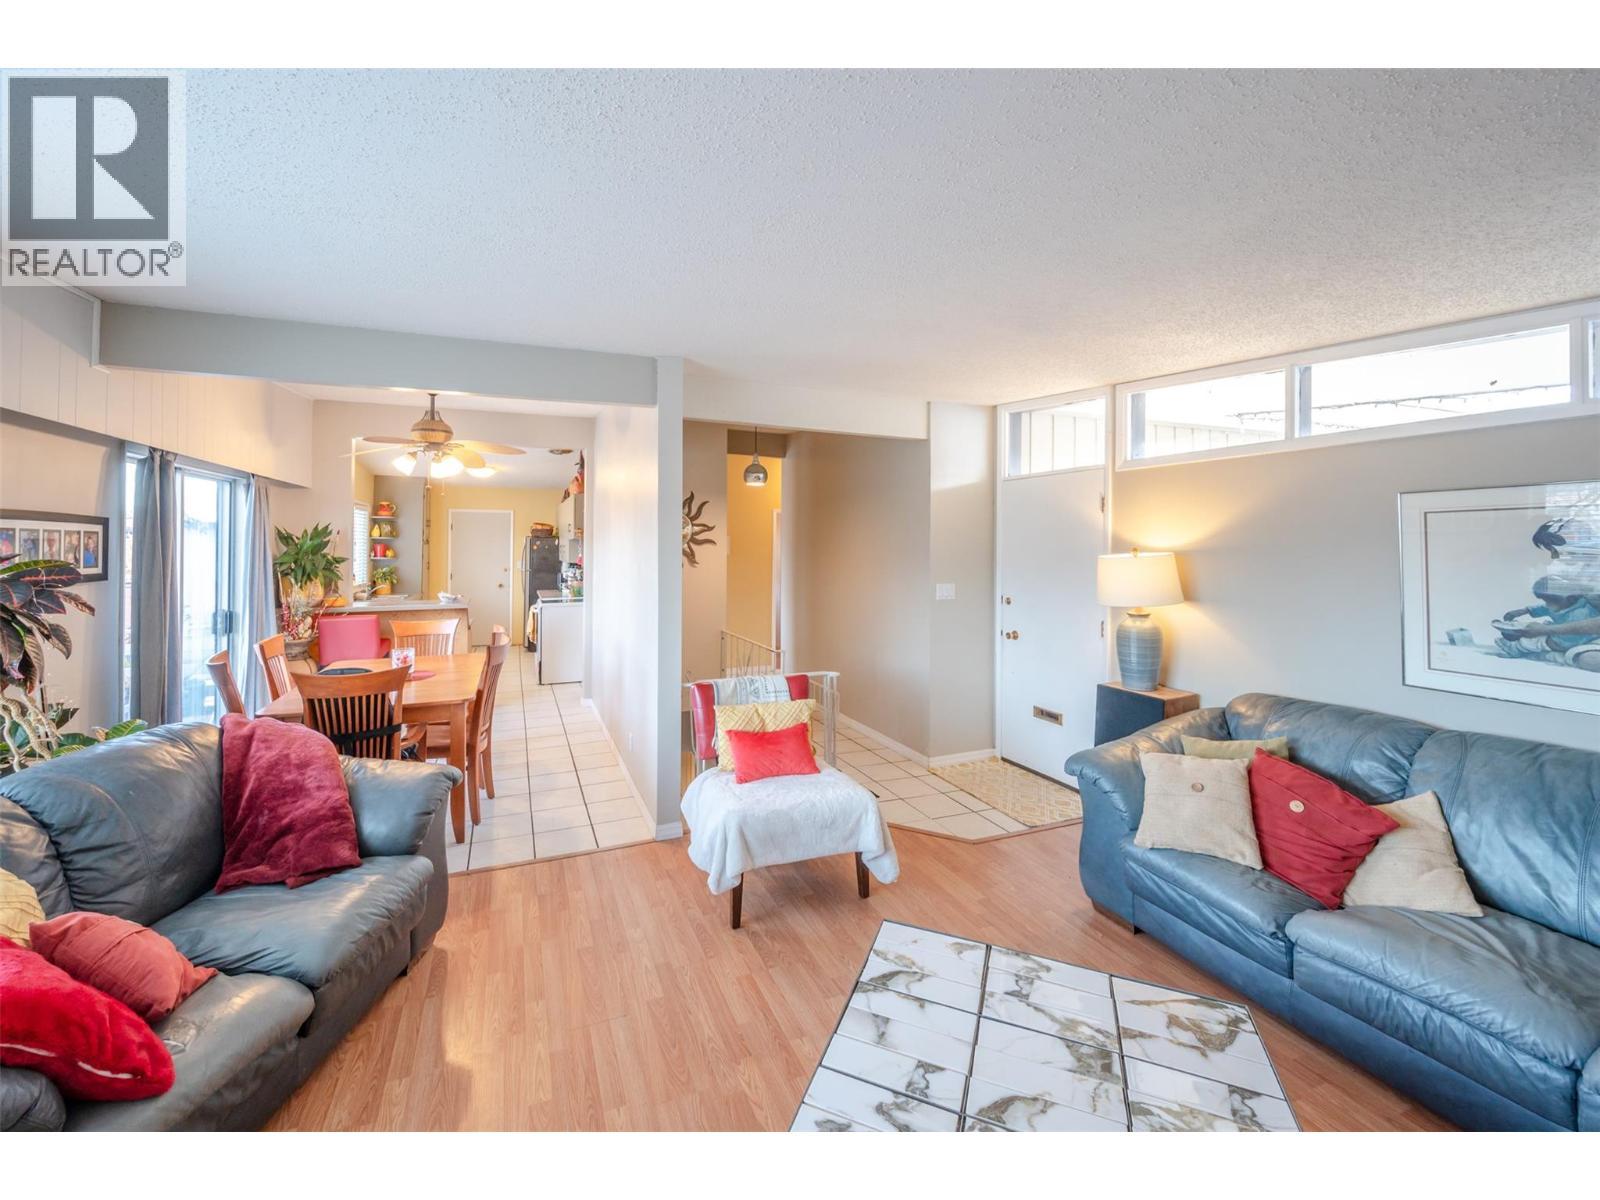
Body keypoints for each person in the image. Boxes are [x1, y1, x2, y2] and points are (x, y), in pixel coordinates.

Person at [1496, 576, 1600, 672]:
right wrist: (1524, 611)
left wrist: (1546, 640)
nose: (1547, 604)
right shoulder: (1566, 604)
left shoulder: (1579, 614)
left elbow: (1567, 641)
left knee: (1536, 641)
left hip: (1579, 640)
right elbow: (1545, 608)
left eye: (1548, 601)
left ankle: (1517, 648)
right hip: (1567, 633)